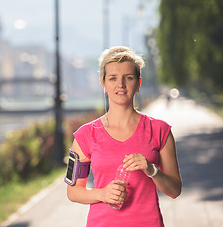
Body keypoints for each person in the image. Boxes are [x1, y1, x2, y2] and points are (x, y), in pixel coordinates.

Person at [66, 46, 182, 227]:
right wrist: (102, 194)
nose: (120, 84)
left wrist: (152, 170)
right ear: (103, 84)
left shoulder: (161, 131)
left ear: (138, 84)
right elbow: (73, 192)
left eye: (128, 78)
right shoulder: (84, 135)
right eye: (112, 78)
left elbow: (175, 190)